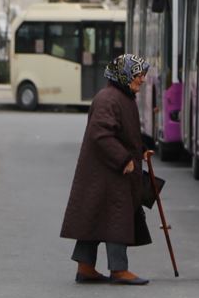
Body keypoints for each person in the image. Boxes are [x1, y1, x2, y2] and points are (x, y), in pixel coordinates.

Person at [60, 54, 152, 285]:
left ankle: (86, 267)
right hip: (110, 172)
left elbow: (124, 132)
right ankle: (119, 270)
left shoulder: (120, 96)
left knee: (94, 218)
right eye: (138, 74)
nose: (142, 79)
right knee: (115, 219)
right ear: (124, 74)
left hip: (105, 173)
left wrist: (141, 150)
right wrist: (123, 160)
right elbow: (101, 134)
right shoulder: (109, 99)